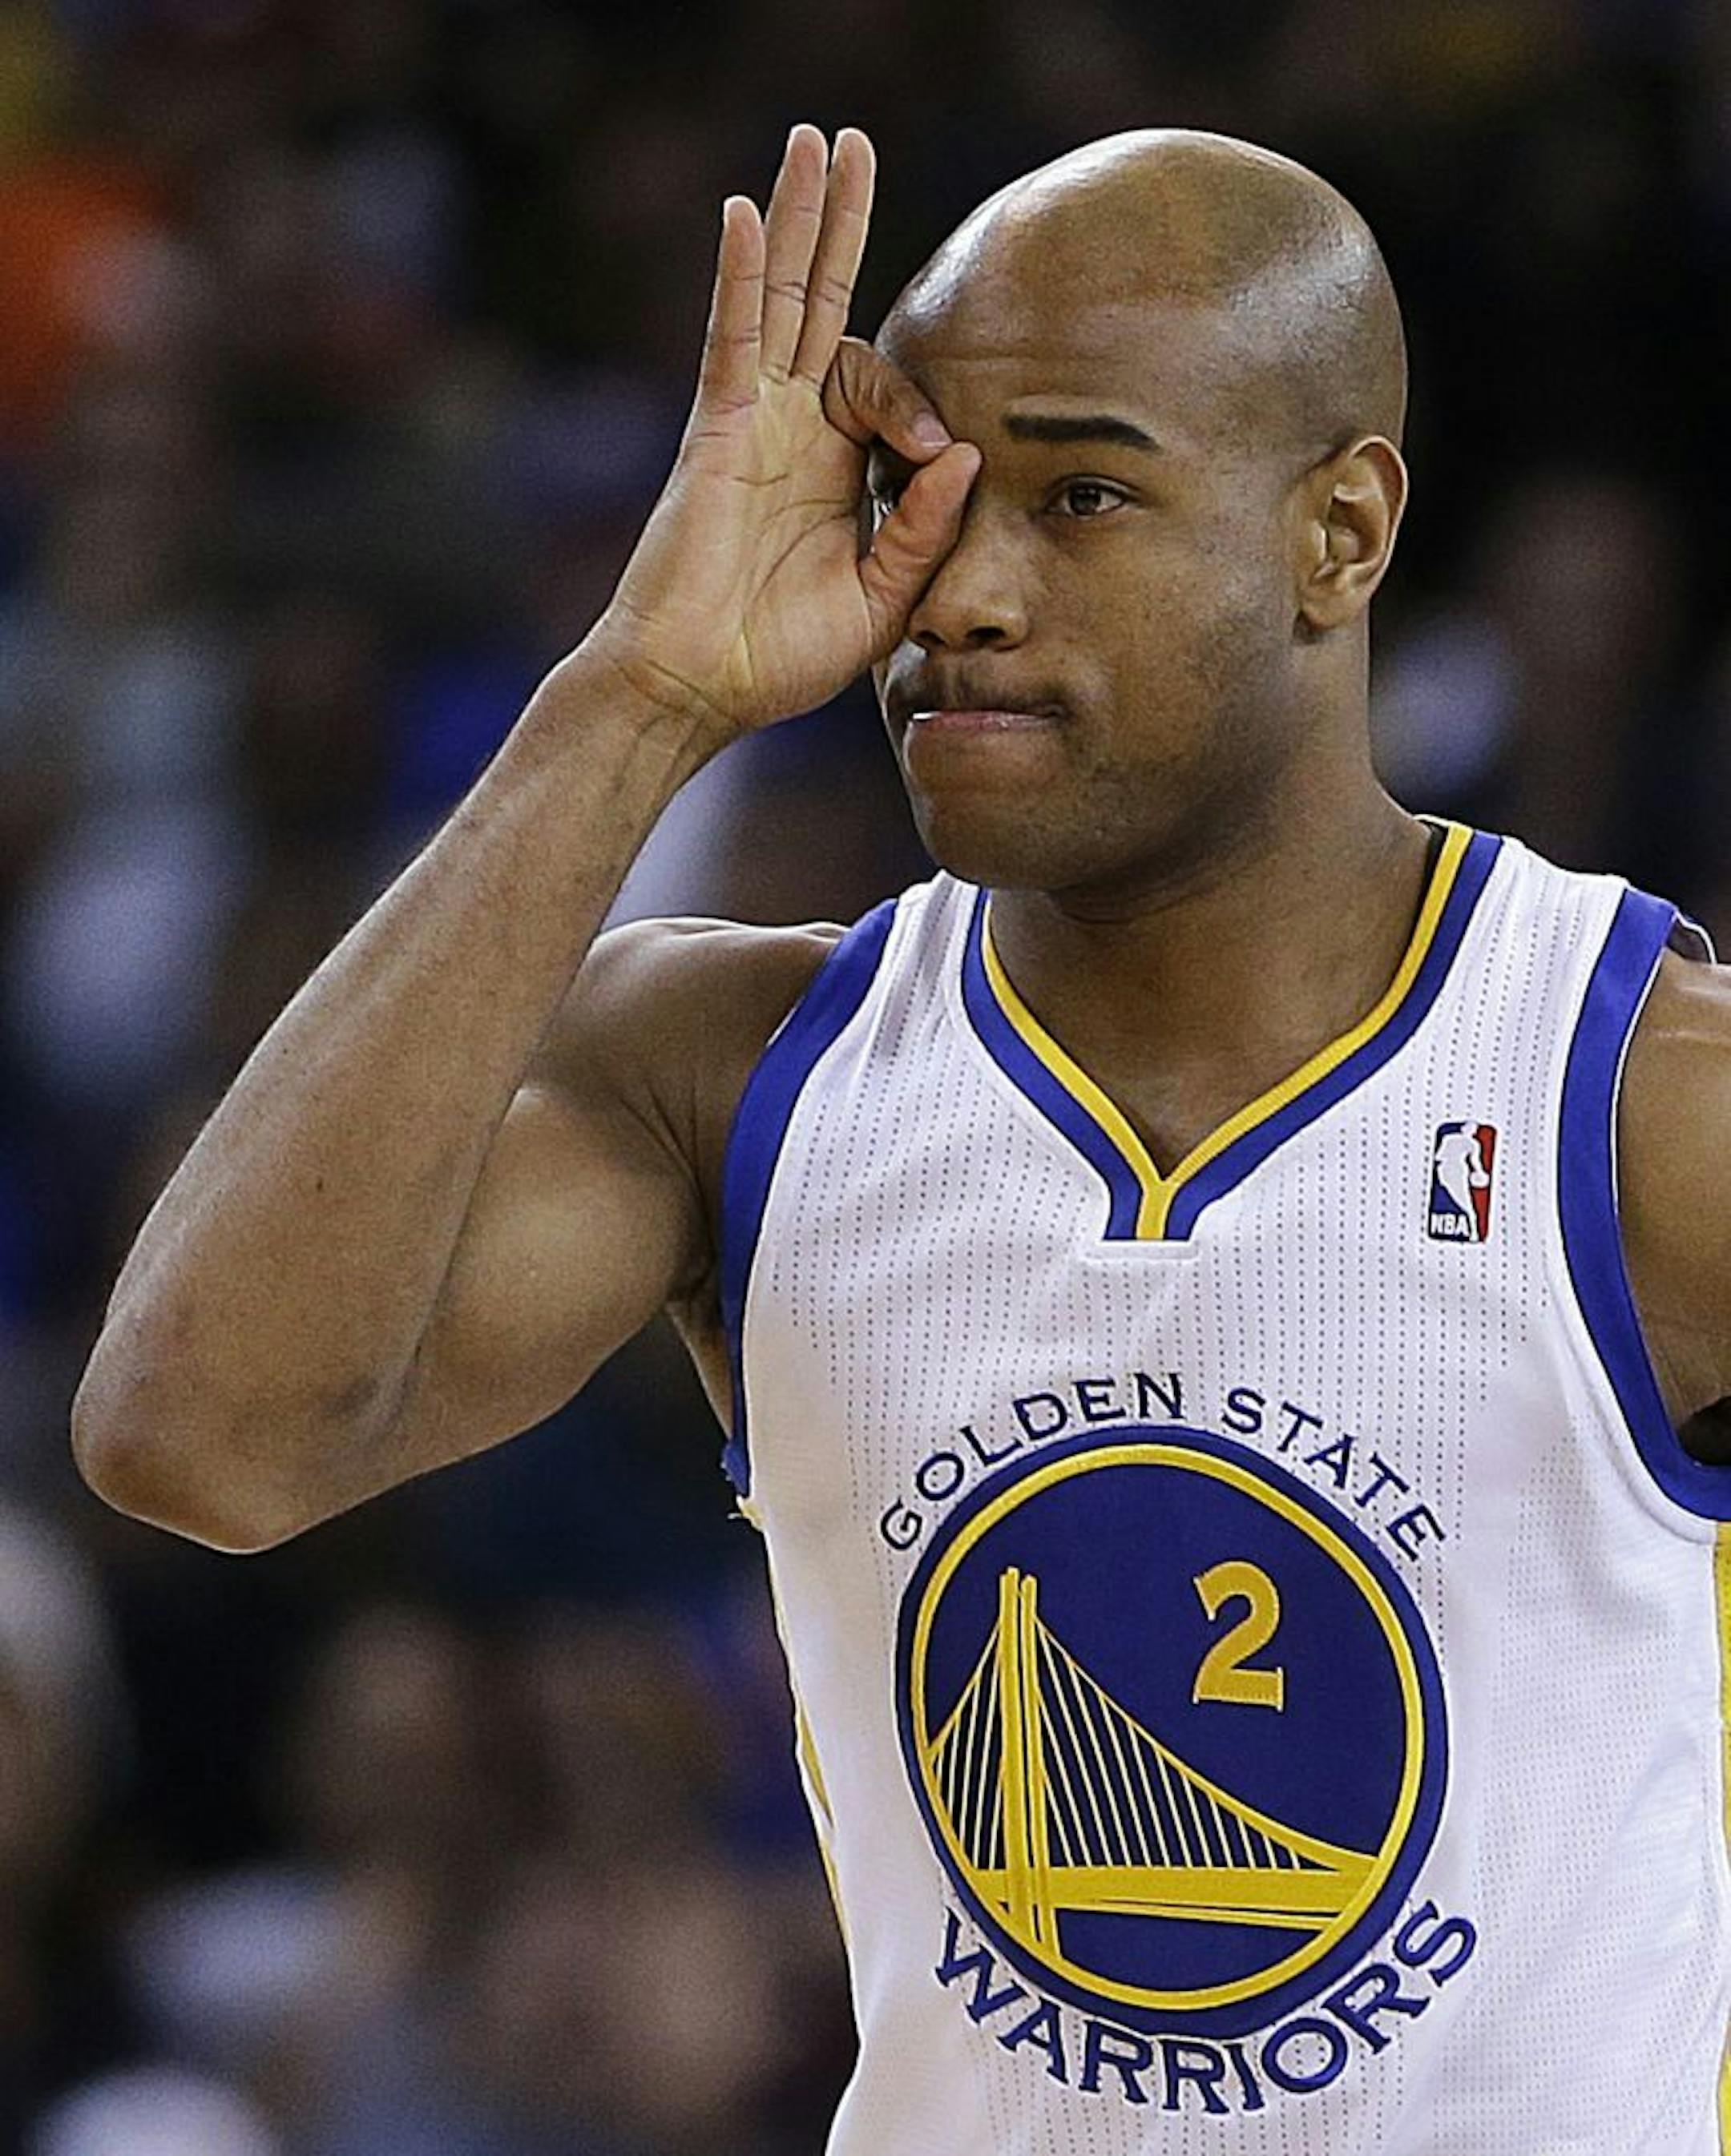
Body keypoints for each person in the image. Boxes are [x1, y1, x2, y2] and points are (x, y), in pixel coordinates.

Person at [71, 123, 1731, 2150]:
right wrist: (634, 691)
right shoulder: (733, 1062)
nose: (965, 591)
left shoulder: (1643, 1094)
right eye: (912, 493)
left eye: (1083, 492)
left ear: (1342, 531)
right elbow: (196, 1435)